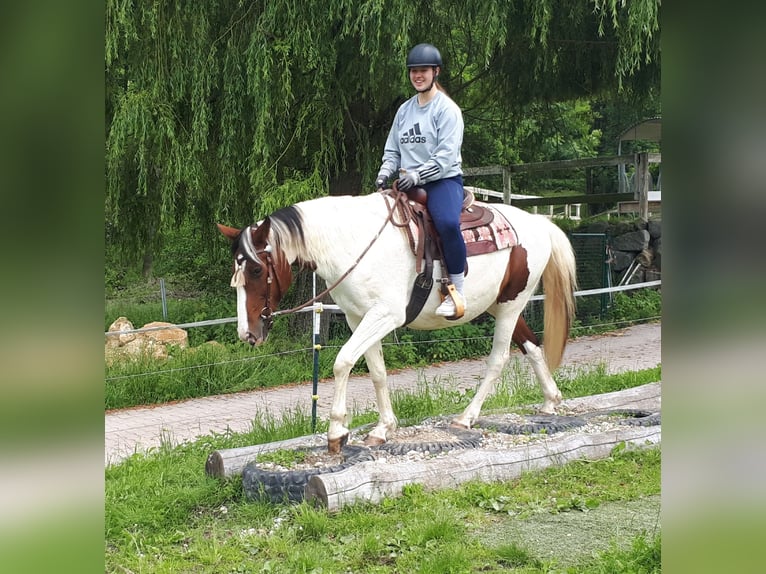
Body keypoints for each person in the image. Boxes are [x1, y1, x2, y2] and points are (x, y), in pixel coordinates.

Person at [375, 43, 467, 318]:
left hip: (442, 181)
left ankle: (458, 291)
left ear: (435, 72)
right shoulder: (404, 111)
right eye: (414, 71)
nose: (418, 75)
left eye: (423, 70)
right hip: (407, 183)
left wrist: (418, 175)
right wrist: (384, 172)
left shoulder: (447, 110)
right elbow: (393, 149)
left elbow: (445, 158)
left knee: (448, 224)